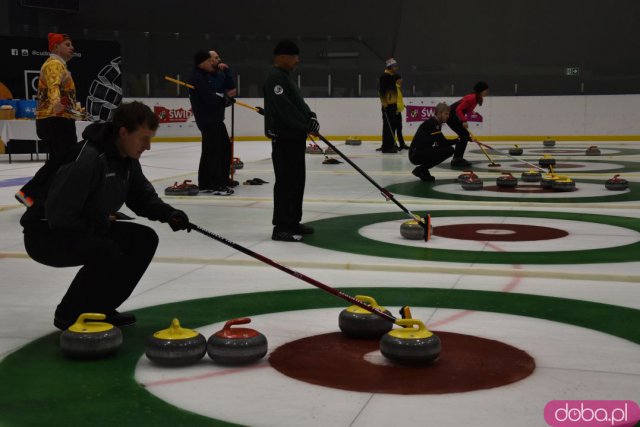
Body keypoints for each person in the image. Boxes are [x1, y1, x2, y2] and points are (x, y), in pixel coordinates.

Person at [20, 101, 191, 330]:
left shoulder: (127, 159)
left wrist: (169, 214)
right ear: (123, 132)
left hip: (83, 225)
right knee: (106, 250)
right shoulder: (88, 159)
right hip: (46, 234)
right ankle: (69, 313)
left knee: (144, 239)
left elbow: (141, 197)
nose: (148, 146)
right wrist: (99, 223)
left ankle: (100, 309)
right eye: (143, 138)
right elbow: (60, 214)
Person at [263, 39, 319, 242]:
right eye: (294, 56)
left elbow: (298, 103)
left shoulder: (285, 77)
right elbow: (284, 110)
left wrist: (310, 116)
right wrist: (305, 125)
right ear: (282, 57)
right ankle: (281, 226)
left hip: (294, 138)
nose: (297, 60)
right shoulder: (275, 78)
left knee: (297, 181)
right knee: (286, 182)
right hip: (284, 138)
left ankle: (293, 221)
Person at [16, 33, 80, 208]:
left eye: (71, 44)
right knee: (63, 160)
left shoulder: (59, 65)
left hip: (56, 119)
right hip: (55, 120)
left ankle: (45, 197)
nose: (71, 48)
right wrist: (56, 103)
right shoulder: (54, 64)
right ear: (55, 47)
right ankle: (29, 193)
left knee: (60, 160)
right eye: (67, 44)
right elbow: (53, 86)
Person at [188, 49, 235, 196]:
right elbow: (208, 97)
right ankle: (217, 185)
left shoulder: (204, 75)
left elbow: (220, 90)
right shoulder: (197, 77)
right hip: (208, 119)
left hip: (214, 118)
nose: (212, 63)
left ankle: (206, 183)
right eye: (209, 61)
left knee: (213, 150)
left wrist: (224, 99)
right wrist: (224, 101)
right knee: (216, 151)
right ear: (202, 63)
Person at [207, 49, 238, 188]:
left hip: (219, 118)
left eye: (219, 57)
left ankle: (224, 178)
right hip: (209, 119)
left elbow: (232, 91)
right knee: (216, 151)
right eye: (216, 57)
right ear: (209, 60)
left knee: (225, 148)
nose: (219, 59)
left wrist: (228, 72)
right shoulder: (205, 76)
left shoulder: (220, 75)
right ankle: (216, 181)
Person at [408, 103, 459, 182]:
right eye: (446, 114)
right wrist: (459, 140)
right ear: (439, 113)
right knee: (449, 150)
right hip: (415, 154)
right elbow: (443, 142)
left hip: (418, 152)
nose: (448, 116)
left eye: (448, 114)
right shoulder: (433, 123)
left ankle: (423, 170)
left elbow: (440, 142)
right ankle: (422, 169)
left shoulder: (436, 123)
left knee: (445, 149)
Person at [446, 81, 489, 168]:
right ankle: (457, 159)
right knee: (464, 134)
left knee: (464, 135)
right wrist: (464, 120)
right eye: (485, 90)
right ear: (481, 90)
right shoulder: (472, 98)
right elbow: (458, 109)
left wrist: (465, 117)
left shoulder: (476, 98)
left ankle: (458, 158)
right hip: (450, 116)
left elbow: (463, 109)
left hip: (453, 116)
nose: (487, 92)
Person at [377, 58, 401, 153]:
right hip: (388, 106)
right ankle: (387, 147)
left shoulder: (391, 76)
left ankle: (390, 145)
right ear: (390, 67)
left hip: (393, 105)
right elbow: (382, 92)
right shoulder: (384, 77)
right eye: (395, 66)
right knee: (388, 127)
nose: (397, 68)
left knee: (392, 125)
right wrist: (385, 104)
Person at [393, 74, 409, 150]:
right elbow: (393, 100)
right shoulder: (394, 88)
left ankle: (402, 144)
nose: (401, 80)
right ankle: (394, 144)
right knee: (394, 129)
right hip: (395, 112)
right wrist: (396, 108)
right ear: (397, 80)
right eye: (400, 79)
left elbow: (398, 100)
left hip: (398, 111)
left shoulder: (398, 88)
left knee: (399, 129)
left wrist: (403, 105)